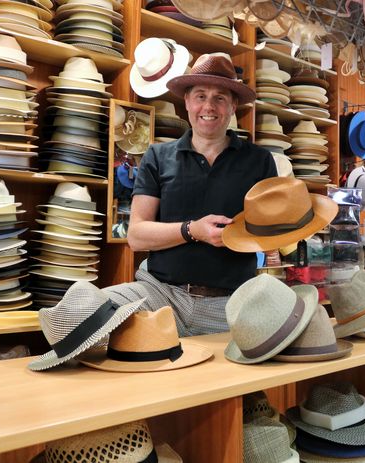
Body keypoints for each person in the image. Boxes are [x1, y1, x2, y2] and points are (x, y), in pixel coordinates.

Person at [104, 52, 277, 336]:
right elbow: (136, 236)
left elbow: (269, 236)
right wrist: (192, 230)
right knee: (83, 307)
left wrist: (249, 234)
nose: (208, 106)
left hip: (230, 303)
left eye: (220, 97)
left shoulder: (259, 162)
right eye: (200, 96)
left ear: (233, 105)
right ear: (186, 101)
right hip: (160, 295)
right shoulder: (158, 157)